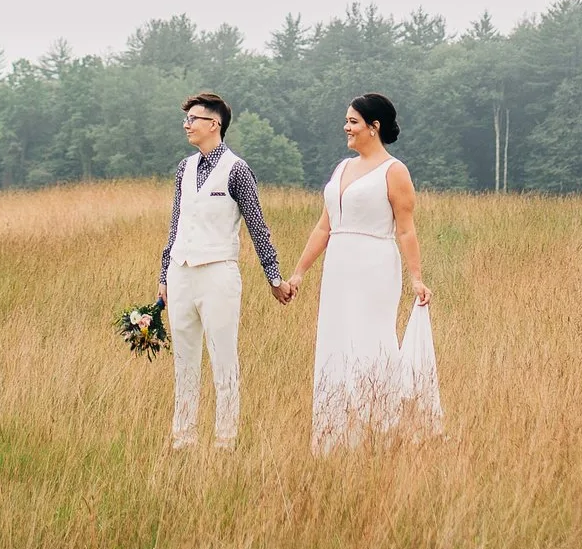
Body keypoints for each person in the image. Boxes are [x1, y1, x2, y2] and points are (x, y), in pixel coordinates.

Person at [286, 92, 443, 454]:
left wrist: (416, 277)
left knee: (370, 342)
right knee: (336, 341)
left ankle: (381, 428)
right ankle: (337, 433)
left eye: (353, 121)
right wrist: (299, 273)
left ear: (374, 127)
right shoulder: (342, 168)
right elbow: (324, 227)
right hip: (338, 268)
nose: (346, 127)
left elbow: (406, 229)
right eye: (346, 120)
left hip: (374, 265)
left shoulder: (394, 171)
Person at [157, 91, 292, 450]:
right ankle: (183, 437)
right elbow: (176, 225)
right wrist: (164, 275)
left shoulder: (237, 170)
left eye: (193, 119)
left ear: (214, 124)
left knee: (223, 358)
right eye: (186, 119)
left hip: (218, 273)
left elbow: (257, 226)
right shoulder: (184, 168)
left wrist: (274, 277)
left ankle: (225, 439)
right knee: (184, 360)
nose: (186, 125)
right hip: (181, 272)